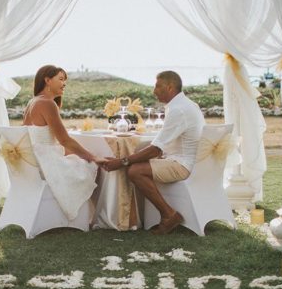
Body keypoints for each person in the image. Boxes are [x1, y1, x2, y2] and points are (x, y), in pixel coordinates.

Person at [101, 70, 204, 234]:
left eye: (157, 86)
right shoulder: (186, 105)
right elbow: (159, 147)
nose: (154, 91)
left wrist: (120, 162)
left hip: (182, 165)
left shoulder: (179, 109)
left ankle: (168, 214)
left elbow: (156, 149)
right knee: (137, 164)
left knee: (135, 171)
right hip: (183, 160)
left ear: (170, 88)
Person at [22, 65, 101, 221]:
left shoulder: (32, 102)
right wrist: (92, 157)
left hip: (33, 162)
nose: (64, 83)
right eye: (61, 79)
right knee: (91, 165)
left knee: (81, 158)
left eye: (65, 80)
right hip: (46, 164)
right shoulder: (47, 103)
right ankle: (91, 216)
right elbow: (65, 140)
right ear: (47, 80)